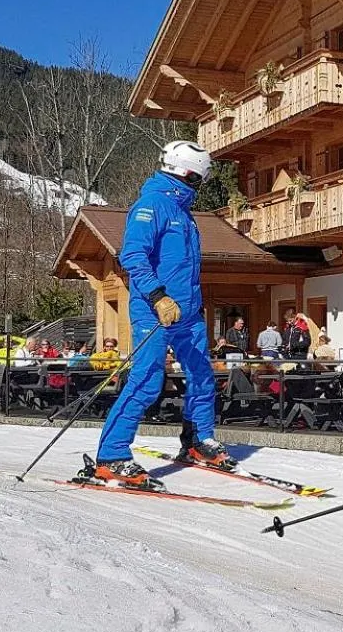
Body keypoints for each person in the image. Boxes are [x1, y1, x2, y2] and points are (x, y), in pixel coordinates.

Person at [87, 141, 234, 491]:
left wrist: (193, 305)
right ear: (189, 174)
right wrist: (158, 296)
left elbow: (185, 267)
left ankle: (198, 440)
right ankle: (111, 456)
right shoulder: (152, 205)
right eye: (202, 177)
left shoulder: (183, 211)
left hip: (187, 313)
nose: (203, 183)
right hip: (155, 310)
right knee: (147, 380)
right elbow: (132, 255)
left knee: (202, 374)